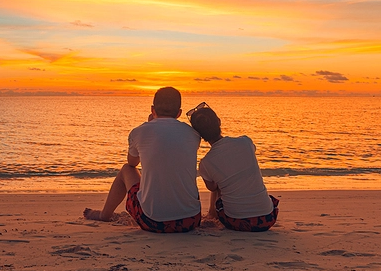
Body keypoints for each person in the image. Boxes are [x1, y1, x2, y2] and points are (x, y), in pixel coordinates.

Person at [83, 87, 202, 233]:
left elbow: (132, 163)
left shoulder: (139, 132)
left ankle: (104, 215)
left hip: (152, 221)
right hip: (191, 220)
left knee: (126, 169)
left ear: (152, 109)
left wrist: (150, 126)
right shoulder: (193, 134)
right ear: (179, 113)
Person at [188, 103, 279, 232]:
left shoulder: (206, 163)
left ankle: (212, 214)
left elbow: (212, 188)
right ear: (219, 121)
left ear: (200, 136)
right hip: (267, 218)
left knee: (217, 181)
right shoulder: (245, 142)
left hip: (236, 221)